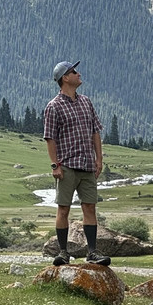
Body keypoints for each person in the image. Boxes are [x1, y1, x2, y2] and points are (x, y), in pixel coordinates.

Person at [43, 60, 111, 266]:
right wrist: (55, 165)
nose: (78, 74)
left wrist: (99, 158)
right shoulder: (53, 106)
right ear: (65, 78)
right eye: (74, 71)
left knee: (89, 208)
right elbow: (50, 137)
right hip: (67, 166)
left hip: (88, 165)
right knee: (63, 209)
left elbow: (95, 131)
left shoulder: (86, 102)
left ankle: (92, 252)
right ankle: (63, 252)